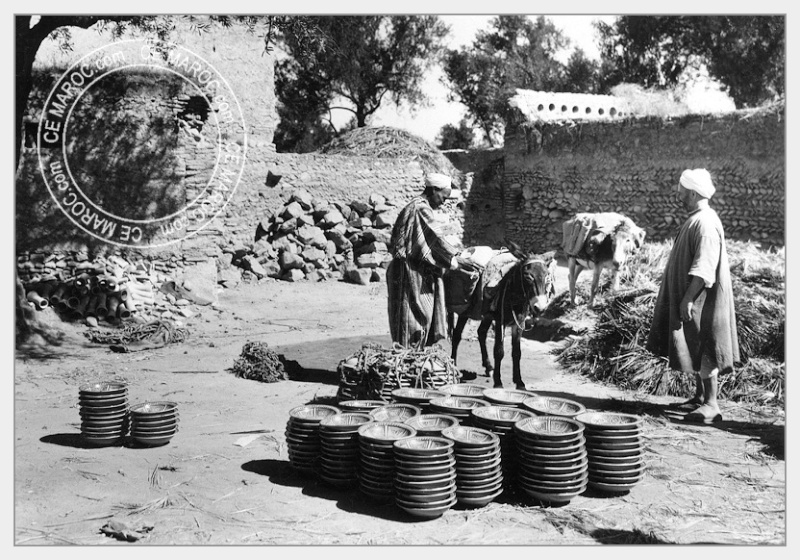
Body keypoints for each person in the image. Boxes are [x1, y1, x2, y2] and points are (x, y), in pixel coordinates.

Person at [647, 169, 739, 424]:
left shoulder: (705, 223)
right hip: (695, 299)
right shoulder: (696, 218)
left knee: (705, 344)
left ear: (694, 192)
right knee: (696, 344)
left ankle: (711, 404)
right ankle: (700, 397)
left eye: (682, 193)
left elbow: (704, 267)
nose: (679, 197)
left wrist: (688, 298)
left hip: (703, 301)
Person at [387, 172, 465, 348]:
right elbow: (433, 240)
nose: (444, 201)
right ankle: (410, 358)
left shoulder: (414, 205)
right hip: (410, 272)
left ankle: (410, 355)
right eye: (443, 197)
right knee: (415, 315)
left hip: (406, 268)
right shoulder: (422, 208)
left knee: (408, 315)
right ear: (433, 189)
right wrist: (454, 258)